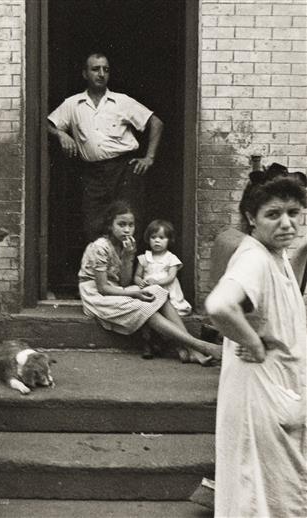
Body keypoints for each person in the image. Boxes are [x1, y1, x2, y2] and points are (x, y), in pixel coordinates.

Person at [205, 167, 307, 517]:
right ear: (251, 217)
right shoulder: (252, 258)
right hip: (262, 397)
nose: (286, 224)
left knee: (267, 496)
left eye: (294, 214)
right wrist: (254, 341)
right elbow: (219, 305)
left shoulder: (273, 256)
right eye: (273, 215)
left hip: (274, 395)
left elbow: (279, 291)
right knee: (263, 498)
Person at [78, 200, 222, 364]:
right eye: (121, 224)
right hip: (96, 295)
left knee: (158, 292)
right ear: (110, 225)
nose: (127, 229)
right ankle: (200, 346)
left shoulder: (125, 245)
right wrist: (134, 293)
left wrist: (127, 256)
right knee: (145, 307)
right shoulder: (100, 247)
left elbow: (124, 283)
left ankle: (189, 350)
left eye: (131, 225)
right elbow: (103, 288)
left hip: (116, 289)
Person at [48, 52, 164, 241]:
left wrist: (149, 157)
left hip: (124, 171)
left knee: (127, 225)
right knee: (93, 225)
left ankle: (126, 270)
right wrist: (61, 134)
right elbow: (48, 124)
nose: (101, 74)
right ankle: (100, 270)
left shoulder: (121, 101)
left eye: (106, 70)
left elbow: (156, 123)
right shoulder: (73, 104)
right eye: (95, 69)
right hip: (93, 174)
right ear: (85, 74)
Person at [134, 219, 192, 316]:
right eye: (153, 237)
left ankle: (170, 311)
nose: (157, 240)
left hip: (166, 287)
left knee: (171, 307)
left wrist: (157, 282)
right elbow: (137, 275)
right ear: (148, 239)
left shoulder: (171, 258)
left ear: (169, 240)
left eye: (161, 237)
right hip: (149, 287)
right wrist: (140, 281)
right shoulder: (144, 257)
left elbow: (171, 277)